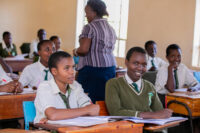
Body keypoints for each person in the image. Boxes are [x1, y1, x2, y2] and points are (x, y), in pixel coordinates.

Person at [105, 47, 172, 119]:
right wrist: (151, 115)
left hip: (149, 129)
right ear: (126, 62)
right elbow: (115, 112)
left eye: (144, 65)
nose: (140, 68)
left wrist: (164, 114)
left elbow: (160, 112)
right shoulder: (113, 84)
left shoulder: (150, 86)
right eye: (136, 63)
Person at [34, 51, 99, 123]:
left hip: (72, 128)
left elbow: (94, 110)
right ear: (54, 71)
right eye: (67, 68)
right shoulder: (45, 87)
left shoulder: (76, 86)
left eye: (73, 67)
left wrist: (58, 117)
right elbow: (53, 115)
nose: (72, 72)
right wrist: (86, 110)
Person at [73, 0, 117, 102]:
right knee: (103, 100)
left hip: (92, 70)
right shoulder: (111, 28)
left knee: (86, 100)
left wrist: (75, 51)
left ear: (95, 12)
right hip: (110, 69)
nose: (86, 16)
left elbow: (84, 50)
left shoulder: (89, 27)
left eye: (87, 12)